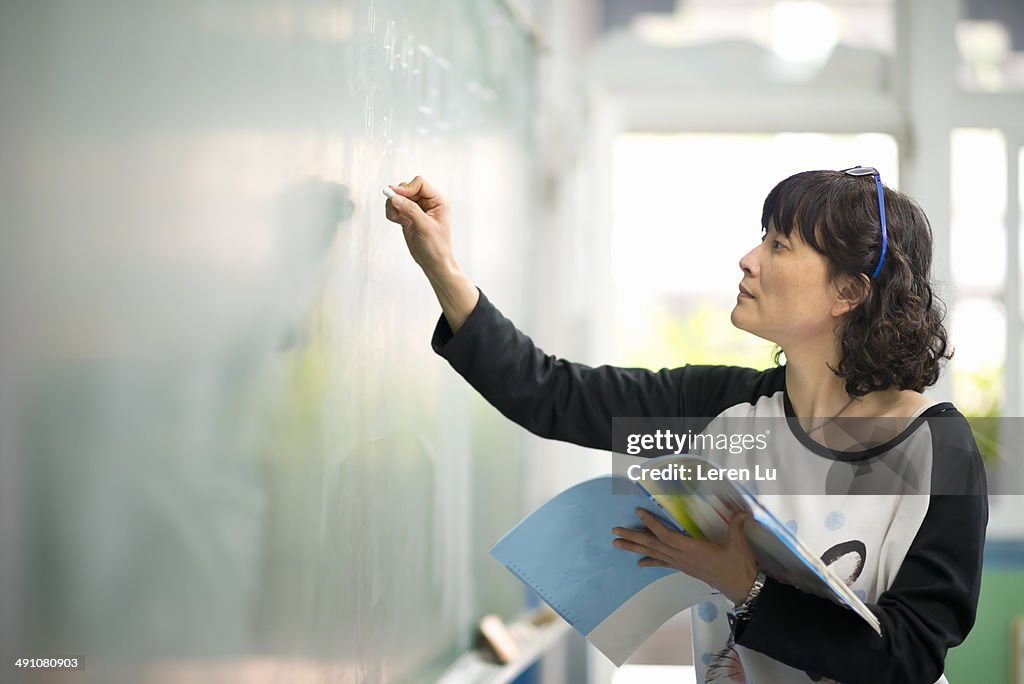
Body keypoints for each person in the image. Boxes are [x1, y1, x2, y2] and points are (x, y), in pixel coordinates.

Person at [384, 170, 988, 684]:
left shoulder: (939, 448)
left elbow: (910, 655)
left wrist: (747, 587)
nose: (748, 259)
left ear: (848, 291)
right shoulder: (719, 411)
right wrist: (441, 263)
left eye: (779, 246)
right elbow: (553, 395)